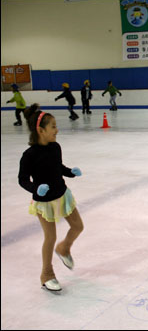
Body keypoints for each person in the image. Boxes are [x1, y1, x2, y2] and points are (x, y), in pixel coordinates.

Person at [18, 104, 84, 291]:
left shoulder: (55, 147)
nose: (57, 129)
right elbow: (22, 179)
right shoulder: (29, 155)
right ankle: (46, 274)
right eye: (53, 126)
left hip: (62, 195)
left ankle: (64, 248)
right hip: (44, 201)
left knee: (78, 226)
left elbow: (58, 167)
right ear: (41, 130)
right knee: (50, 236)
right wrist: (35, 189)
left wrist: (70, 172)